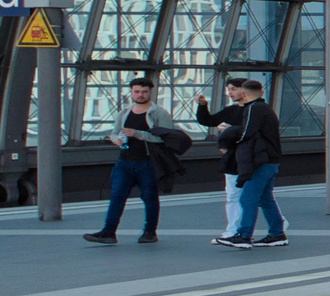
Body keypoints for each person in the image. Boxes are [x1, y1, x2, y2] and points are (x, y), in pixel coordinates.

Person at [86, 77, 178, 245]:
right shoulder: (124, 113)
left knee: (149, 197)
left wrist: (137, 134)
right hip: (125, 161)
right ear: (131, 92)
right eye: (137, 91)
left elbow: (166, 138)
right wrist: (116, 139)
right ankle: (109, 231)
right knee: (117, 196)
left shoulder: (158, 113)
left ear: (151, 92)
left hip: (148, 162)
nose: (140, 95)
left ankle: (150, 231)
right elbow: (114, 133)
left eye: (144, 92)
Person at [214, 80, 287, 249]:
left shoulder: (254, 109)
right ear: (261, 92)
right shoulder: (266, 108)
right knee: (265, 198)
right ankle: (277, 233)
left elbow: (246, 132)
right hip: (272, 159)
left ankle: (244, 235)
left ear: (244, 94)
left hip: (261, 160)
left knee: (248, 197)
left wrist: (228, 135)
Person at [196, 77, 250, 237]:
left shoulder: (255, 110)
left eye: (233, 89)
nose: (230, 93)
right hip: (232, 158)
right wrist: (202, 106)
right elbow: (208, 120)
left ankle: (278, 224)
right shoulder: (230, 110)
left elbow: (253, 130)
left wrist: (231, 130)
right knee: (233, 195)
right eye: (229, 89)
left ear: (244, 90)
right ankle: (232, 229)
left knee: (260, 196)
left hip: (250, 157)